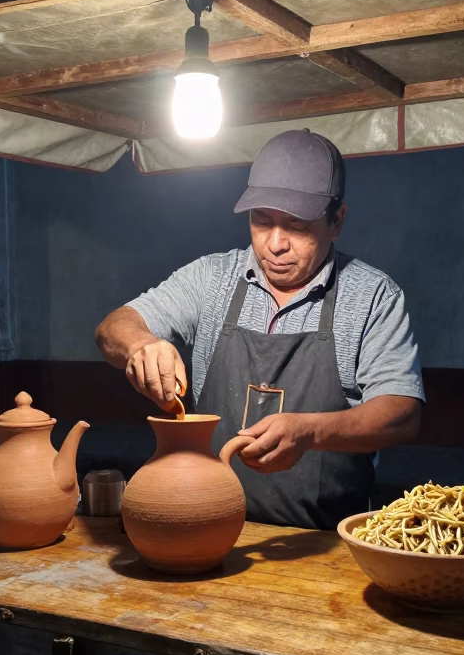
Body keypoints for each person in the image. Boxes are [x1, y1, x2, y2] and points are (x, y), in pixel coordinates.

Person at [95, 129, 424, 530]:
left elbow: (402, 413)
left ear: (336, 221)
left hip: (325, 544)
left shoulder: (373, 295)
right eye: (261, 221)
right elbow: (114, 327)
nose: (275, 243)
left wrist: (311, 431)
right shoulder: (211, 278)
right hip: (208, 528)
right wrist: (140, 345)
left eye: (297, 226)